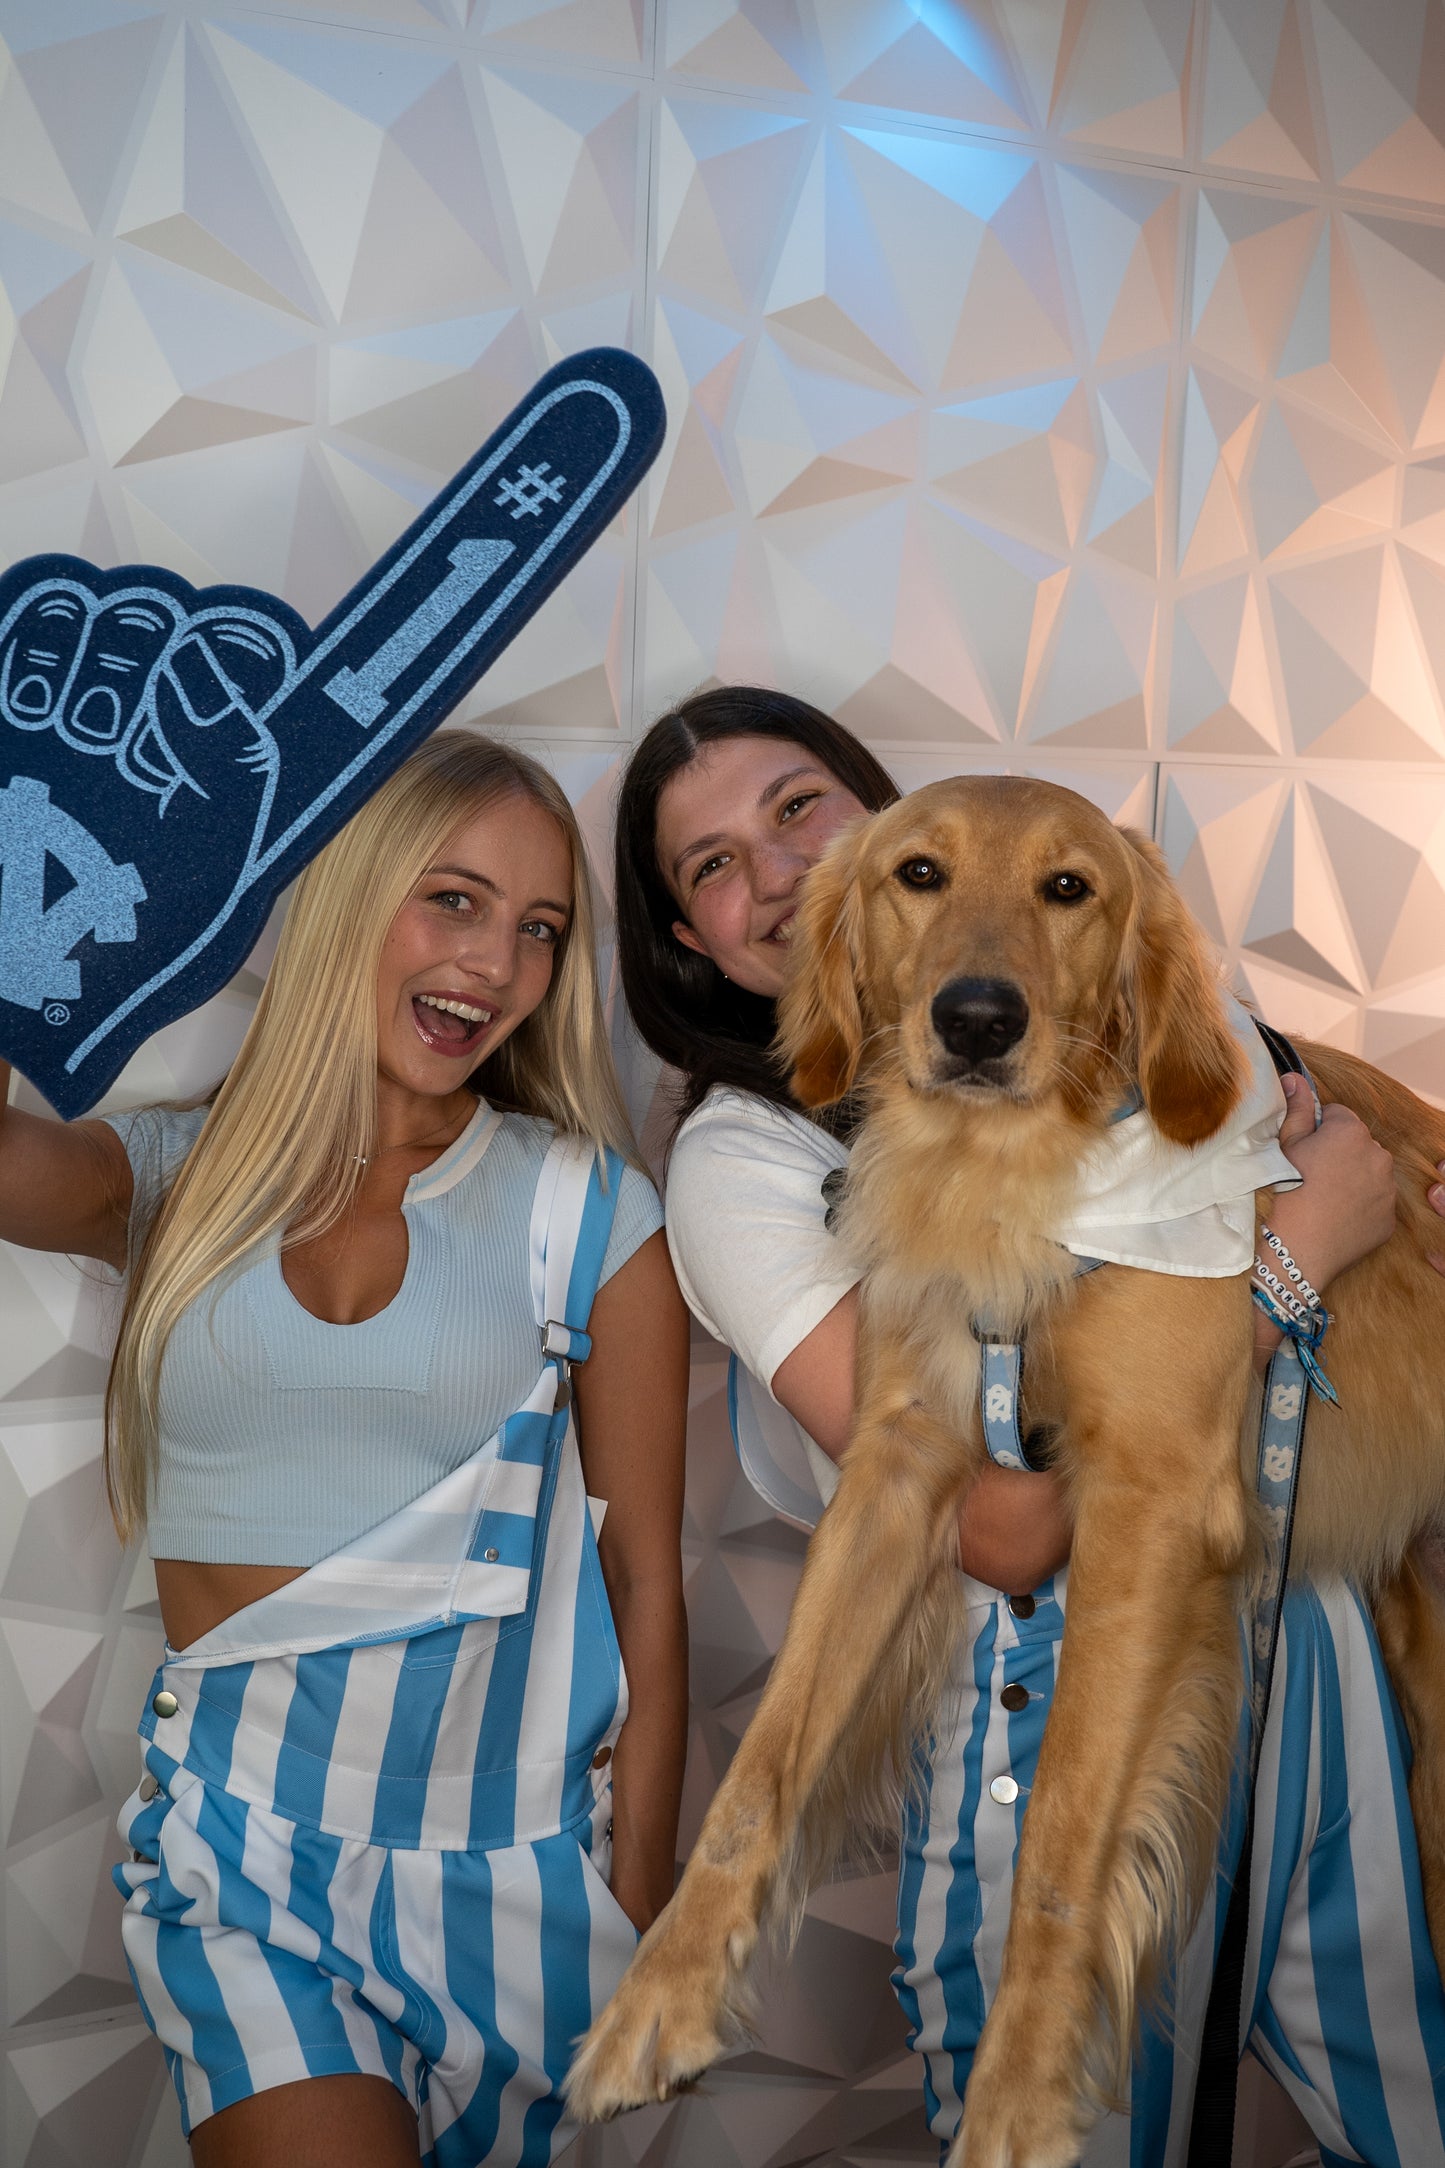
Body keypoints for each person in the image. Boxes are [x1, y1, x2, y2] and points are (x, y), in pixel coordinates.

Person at [613, 685, 1445, 2167]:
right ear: (686, 938)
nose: (780, 871)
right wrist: (1295, 1260)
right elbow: (993, 1527)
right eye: (714, 864)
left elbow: (1302, 1132)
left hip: (1313, 1646)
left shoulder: (1150, 1049)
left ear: (874, 814)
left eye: (800, 809)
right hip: (1035, 1676)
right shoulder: (746, 1158)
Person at [0, 729, 689, 2168]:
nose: (495, 964)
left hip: (520, 1874)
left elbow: (647, 1584)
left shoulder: (588, 1211)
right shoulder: (180, 1176)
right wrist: (48, 841)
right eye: (453, 899)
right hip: (243, 1851)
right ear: (348, 898)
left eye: (539, 929)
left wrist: (636, 1895)